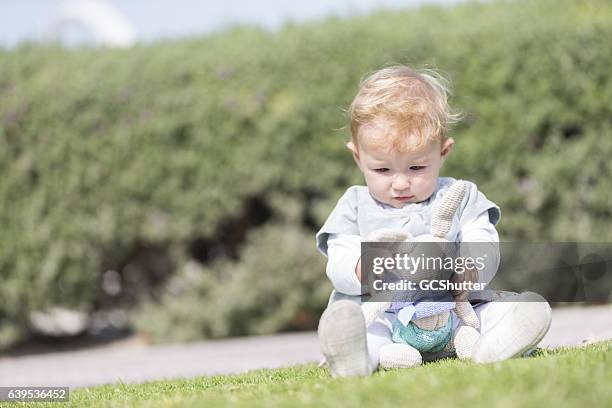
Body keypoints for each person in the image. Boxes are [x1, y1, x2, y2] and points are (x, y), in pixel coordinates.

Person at [315, 65, 552, 377]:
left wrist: (472, 267)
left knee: (493, 309)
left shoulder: (460, 195)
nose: (400, 184)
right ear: (358, 156)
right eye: (383, 170)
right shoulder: (354, 205)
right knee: (365, 327)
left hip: (456, 310)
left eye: (416, 168)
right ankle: (355, 359)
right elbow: (339, 257)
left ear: (443, 152)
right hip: (384, 314)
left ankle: (498, 340)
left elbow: (483, 237)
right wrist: (362, 267)